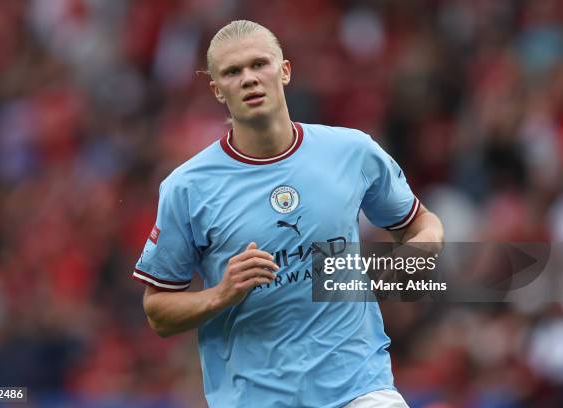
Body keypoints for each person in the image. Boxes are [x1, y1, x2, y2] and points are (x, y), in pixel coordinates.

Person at [132, 20, 444, 408]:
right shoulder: (187, 188)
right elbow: (158, 310)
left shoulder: (351, 151)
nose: (249, 79)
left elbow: (420, 224)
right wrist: (220, 295)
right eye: (232, 71)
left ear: (284, 70)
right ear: (217, 90)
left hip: (359, 388)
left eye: (259, 64)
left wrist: (423, 246)